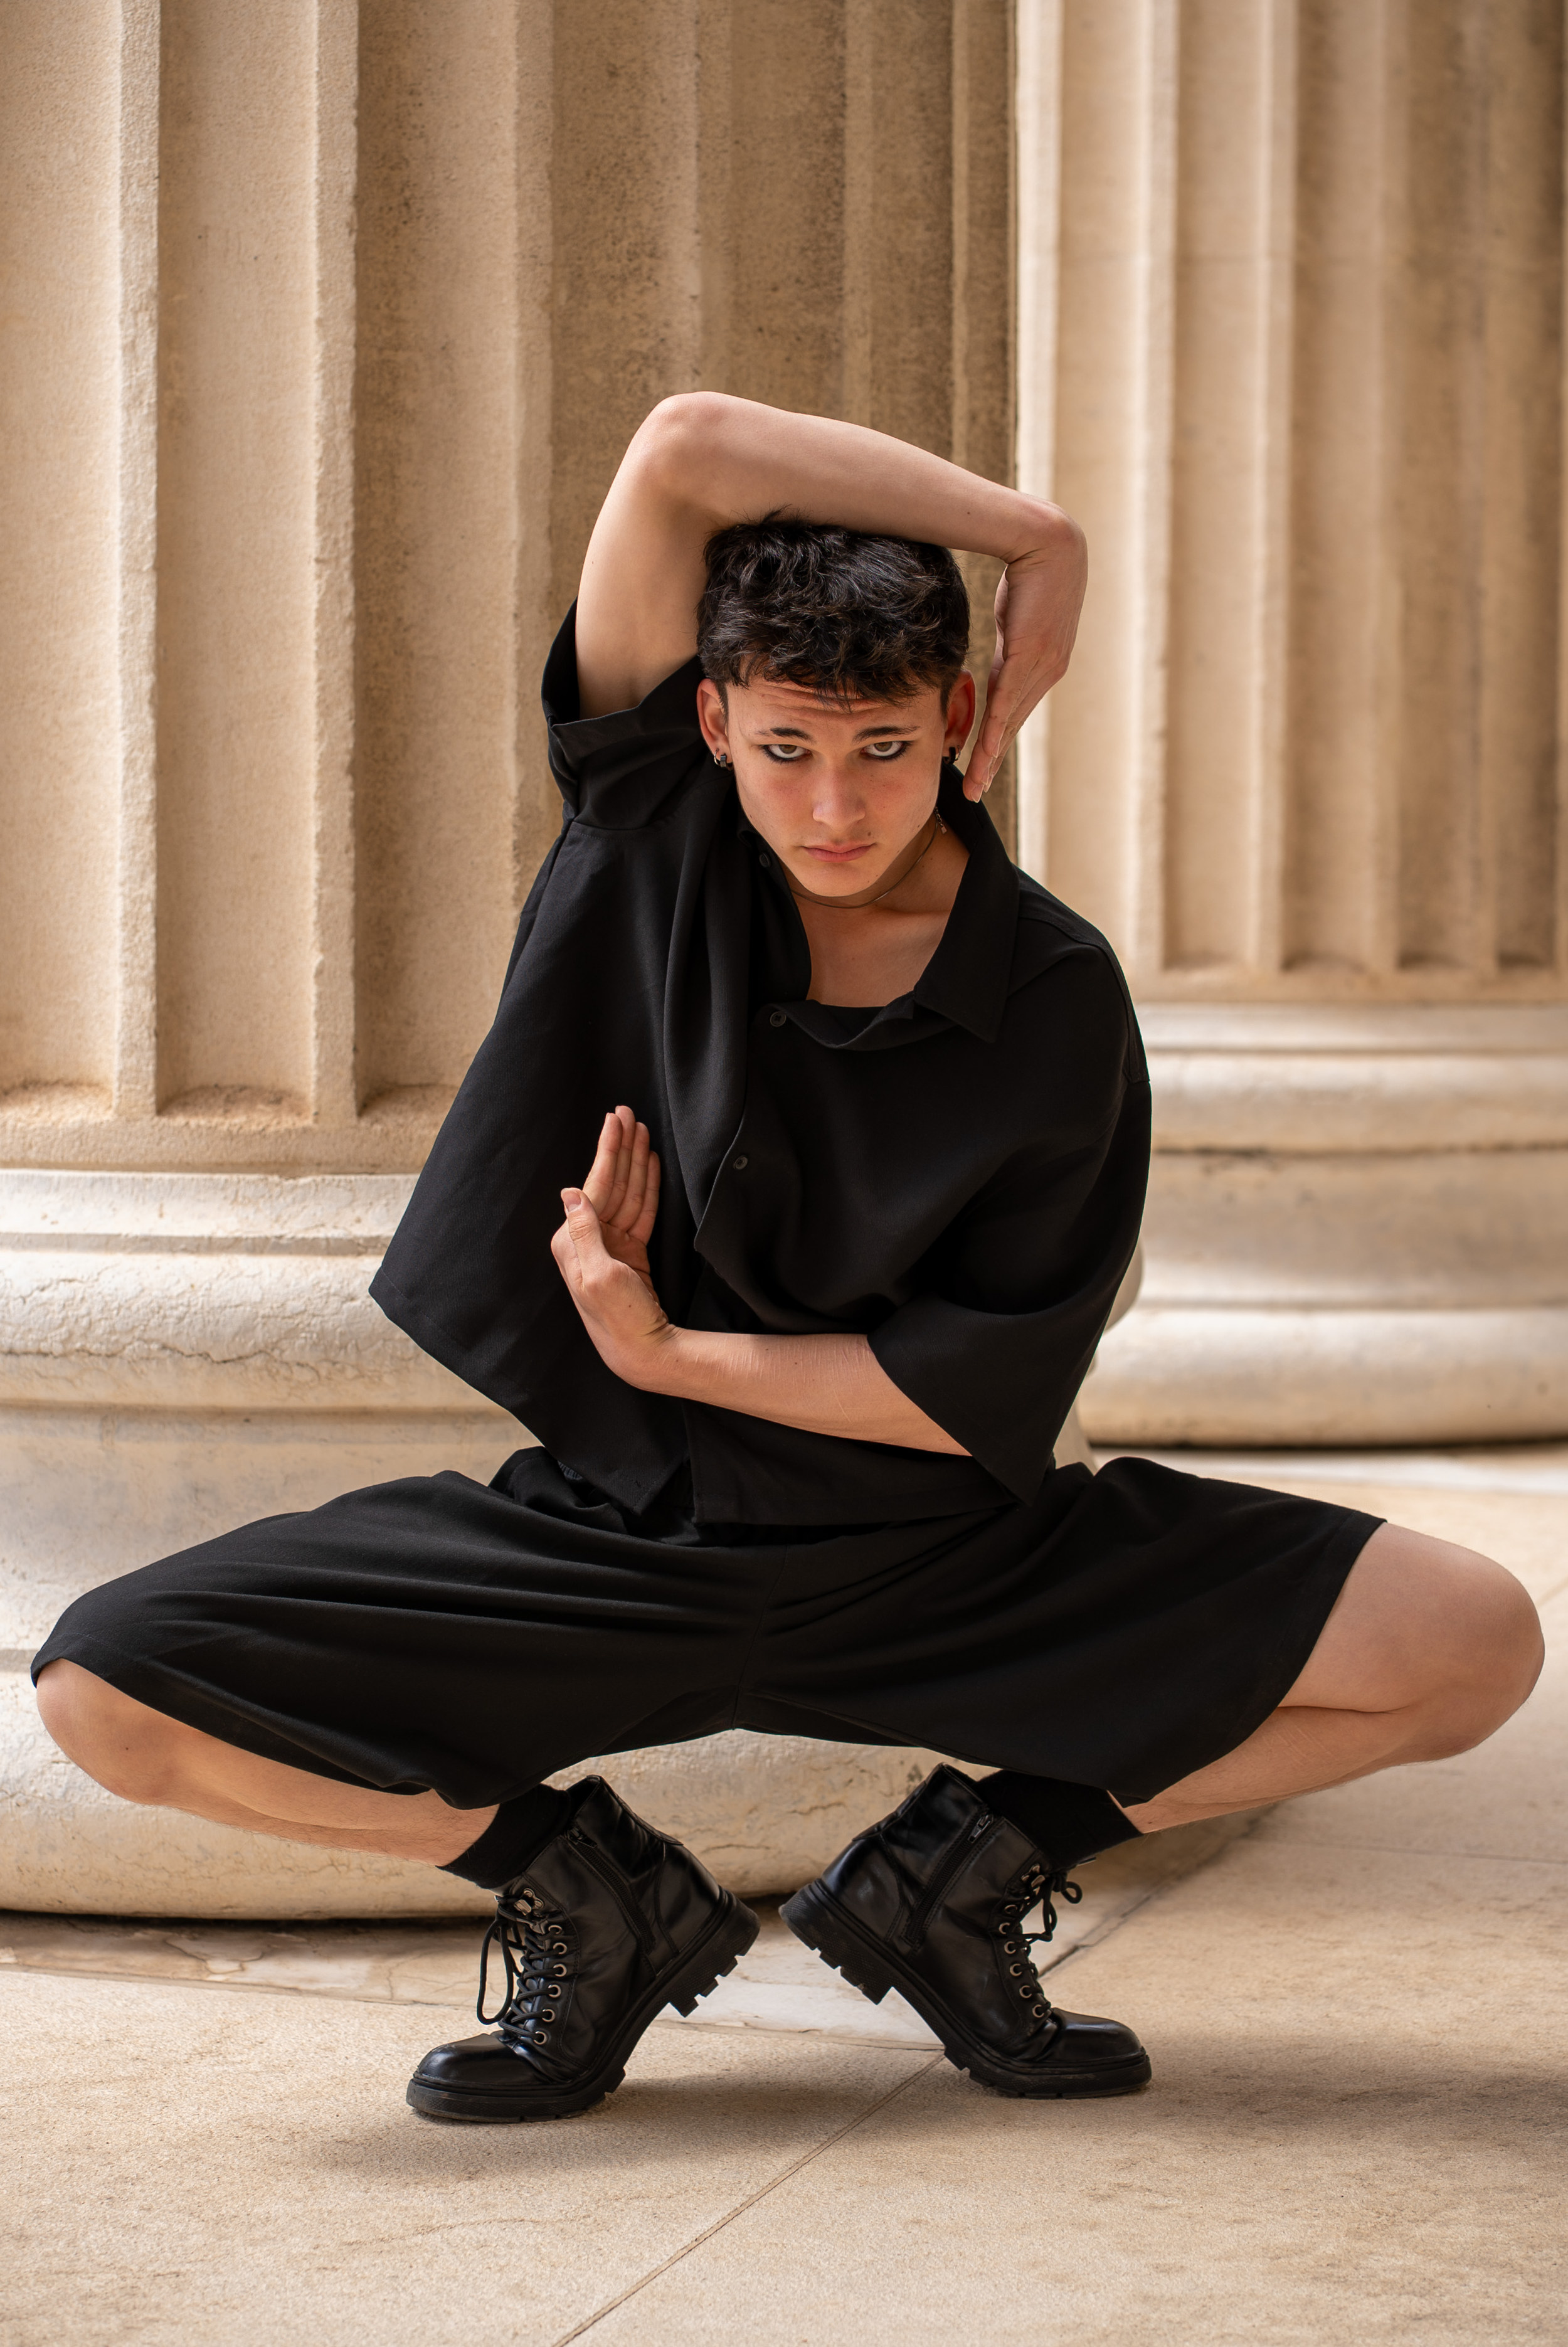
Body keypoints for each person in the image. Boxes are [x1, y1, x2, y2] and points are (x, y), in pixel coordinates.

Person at [33, 396, 1543, 2122]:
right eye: (785, 750)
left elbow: (963, 1388)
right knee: (105, 1696)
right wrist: (1031, 533)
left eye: (884, 749)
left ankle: (957, 1877)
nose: (832, 806)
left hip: (950, 1560)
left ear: (960, 715)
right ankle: (582, 1893)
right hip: (606, 1547)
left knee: (1472, 1641)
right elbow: (681, 449)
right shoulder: (651, 840)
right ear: (711, 722)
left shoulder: (1048, 996)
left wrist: (661, 1348)